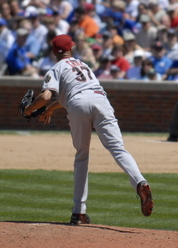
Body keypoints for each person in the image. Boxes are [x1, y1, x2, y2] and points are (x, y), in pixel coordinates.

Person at [22, 34, 153, 224]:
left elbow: (45, 96)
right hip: (101, 100)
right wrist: (50, 110)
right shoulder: (83, 65)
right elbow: (77, 93)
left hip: (78, 104)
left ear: (53, 51)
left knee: (82, 155)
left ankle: (78, 211)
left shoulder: (55, 68)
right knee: (118, 149)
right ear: (71, 49)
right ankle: (140, 182)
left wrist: (28, 110)